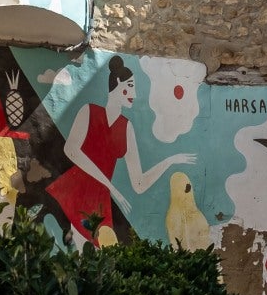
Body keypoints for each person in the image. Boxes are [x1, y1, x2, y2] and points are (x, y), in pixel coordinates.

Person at [45, 56, 194, 247]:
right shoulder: (89, 111)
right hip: (73, 192)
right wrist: (112, 187)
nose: (135, 93)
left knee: (95, 261)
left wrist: (170, 160)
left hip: (98, 203)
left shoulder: (126, 127)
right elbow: (71, 150)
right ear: (117, 83)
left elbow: (139, 183)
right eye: (130, 86)